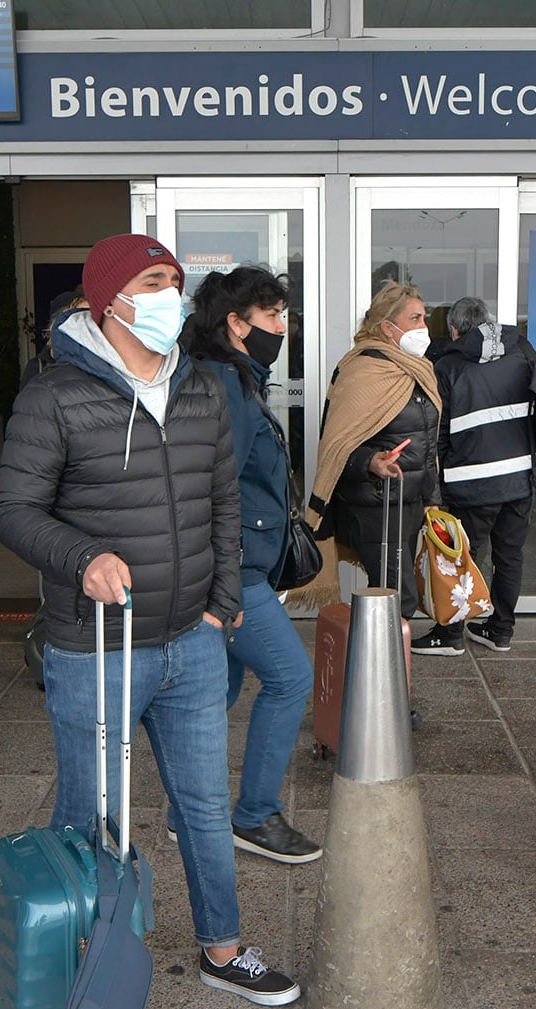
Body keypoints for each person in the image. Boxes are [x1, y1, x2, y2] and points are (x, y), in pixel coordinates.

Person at [0, 234, 300, 1006]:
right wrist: (82, 554)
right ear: (110, 298)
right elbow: (14, 511)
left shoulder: (199, 385)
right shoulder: (54, 394)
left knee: (202, 804)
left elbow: (224, 503)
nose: (169, 292)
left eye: (173, 279)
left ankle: (222, 948)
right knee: (89, 812)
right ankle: (82, 948)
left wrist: (221, 604)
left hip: (191, 641)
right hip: (96, 646)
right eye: (153, 279)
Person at [179, 266, 321, 864]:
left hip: (238, 564)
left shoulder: (235, 375)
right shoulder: (225, 384)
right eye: (270, 317)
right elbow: (215, 488)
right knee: (290, 679)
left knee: (223, 684)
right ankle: (254, 815)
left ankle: (184, 811)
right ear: (236, 324)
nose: (281, 327)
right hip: (236, 570)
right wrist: (227, 587)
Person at [307, 282, 442, 661]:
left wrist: (433, 501)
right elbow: (336, 443)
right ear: (387, 327)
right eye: (414, 319)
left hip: (407, 505)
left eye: (425, 318)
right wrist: (371, 461)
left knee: (392, 596)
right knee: (395, 599)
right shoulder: (365, 370)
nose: (423, 327)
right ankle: (376, 691)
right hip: (375, 509)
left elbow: (427, 442)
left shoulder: (416, 369)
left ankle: (379, 688)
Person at [423, 296, 536, 654]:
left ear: (455, 330)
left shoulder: (448, 365)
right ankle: (500, 629)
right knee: (510, 555)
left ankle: (451, 635)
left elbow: (438, 431)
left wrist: (436, 483)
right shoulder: (522, 352)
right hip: (520, 476)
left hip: (469, 483)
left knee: (461, 557)